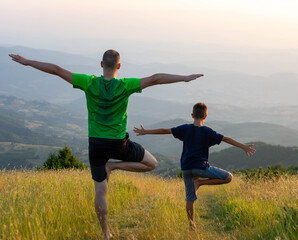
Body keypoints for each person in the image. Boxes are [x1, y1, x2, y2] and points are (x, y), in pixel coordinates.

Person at [9, 50, 203, 239]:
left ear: (101, 65)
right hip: (119, 143)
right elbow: (155, 78)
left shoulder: (89, 82)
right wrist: (184, 78)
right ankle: (114, 166)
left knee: (100, 191)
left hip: (96, 144)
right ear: (119, 66)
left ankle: (106, 234)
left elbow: (57, 69)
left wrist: (28, 62)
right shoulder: (125, 85)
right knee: (152, 164)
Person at [133, 102, 256, 231]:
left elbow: (165, 130)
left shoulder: (185, 128)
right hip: (200, 168)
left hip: (186, 169)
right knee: (228, 177)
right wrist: (243, 146)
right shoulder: (207, 132)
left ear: (192, 115)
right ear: (205, 117)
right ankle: (200, 183)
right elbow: (226, 139)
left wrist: (146, 131)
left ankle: (192, 226)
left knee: (190, 198)